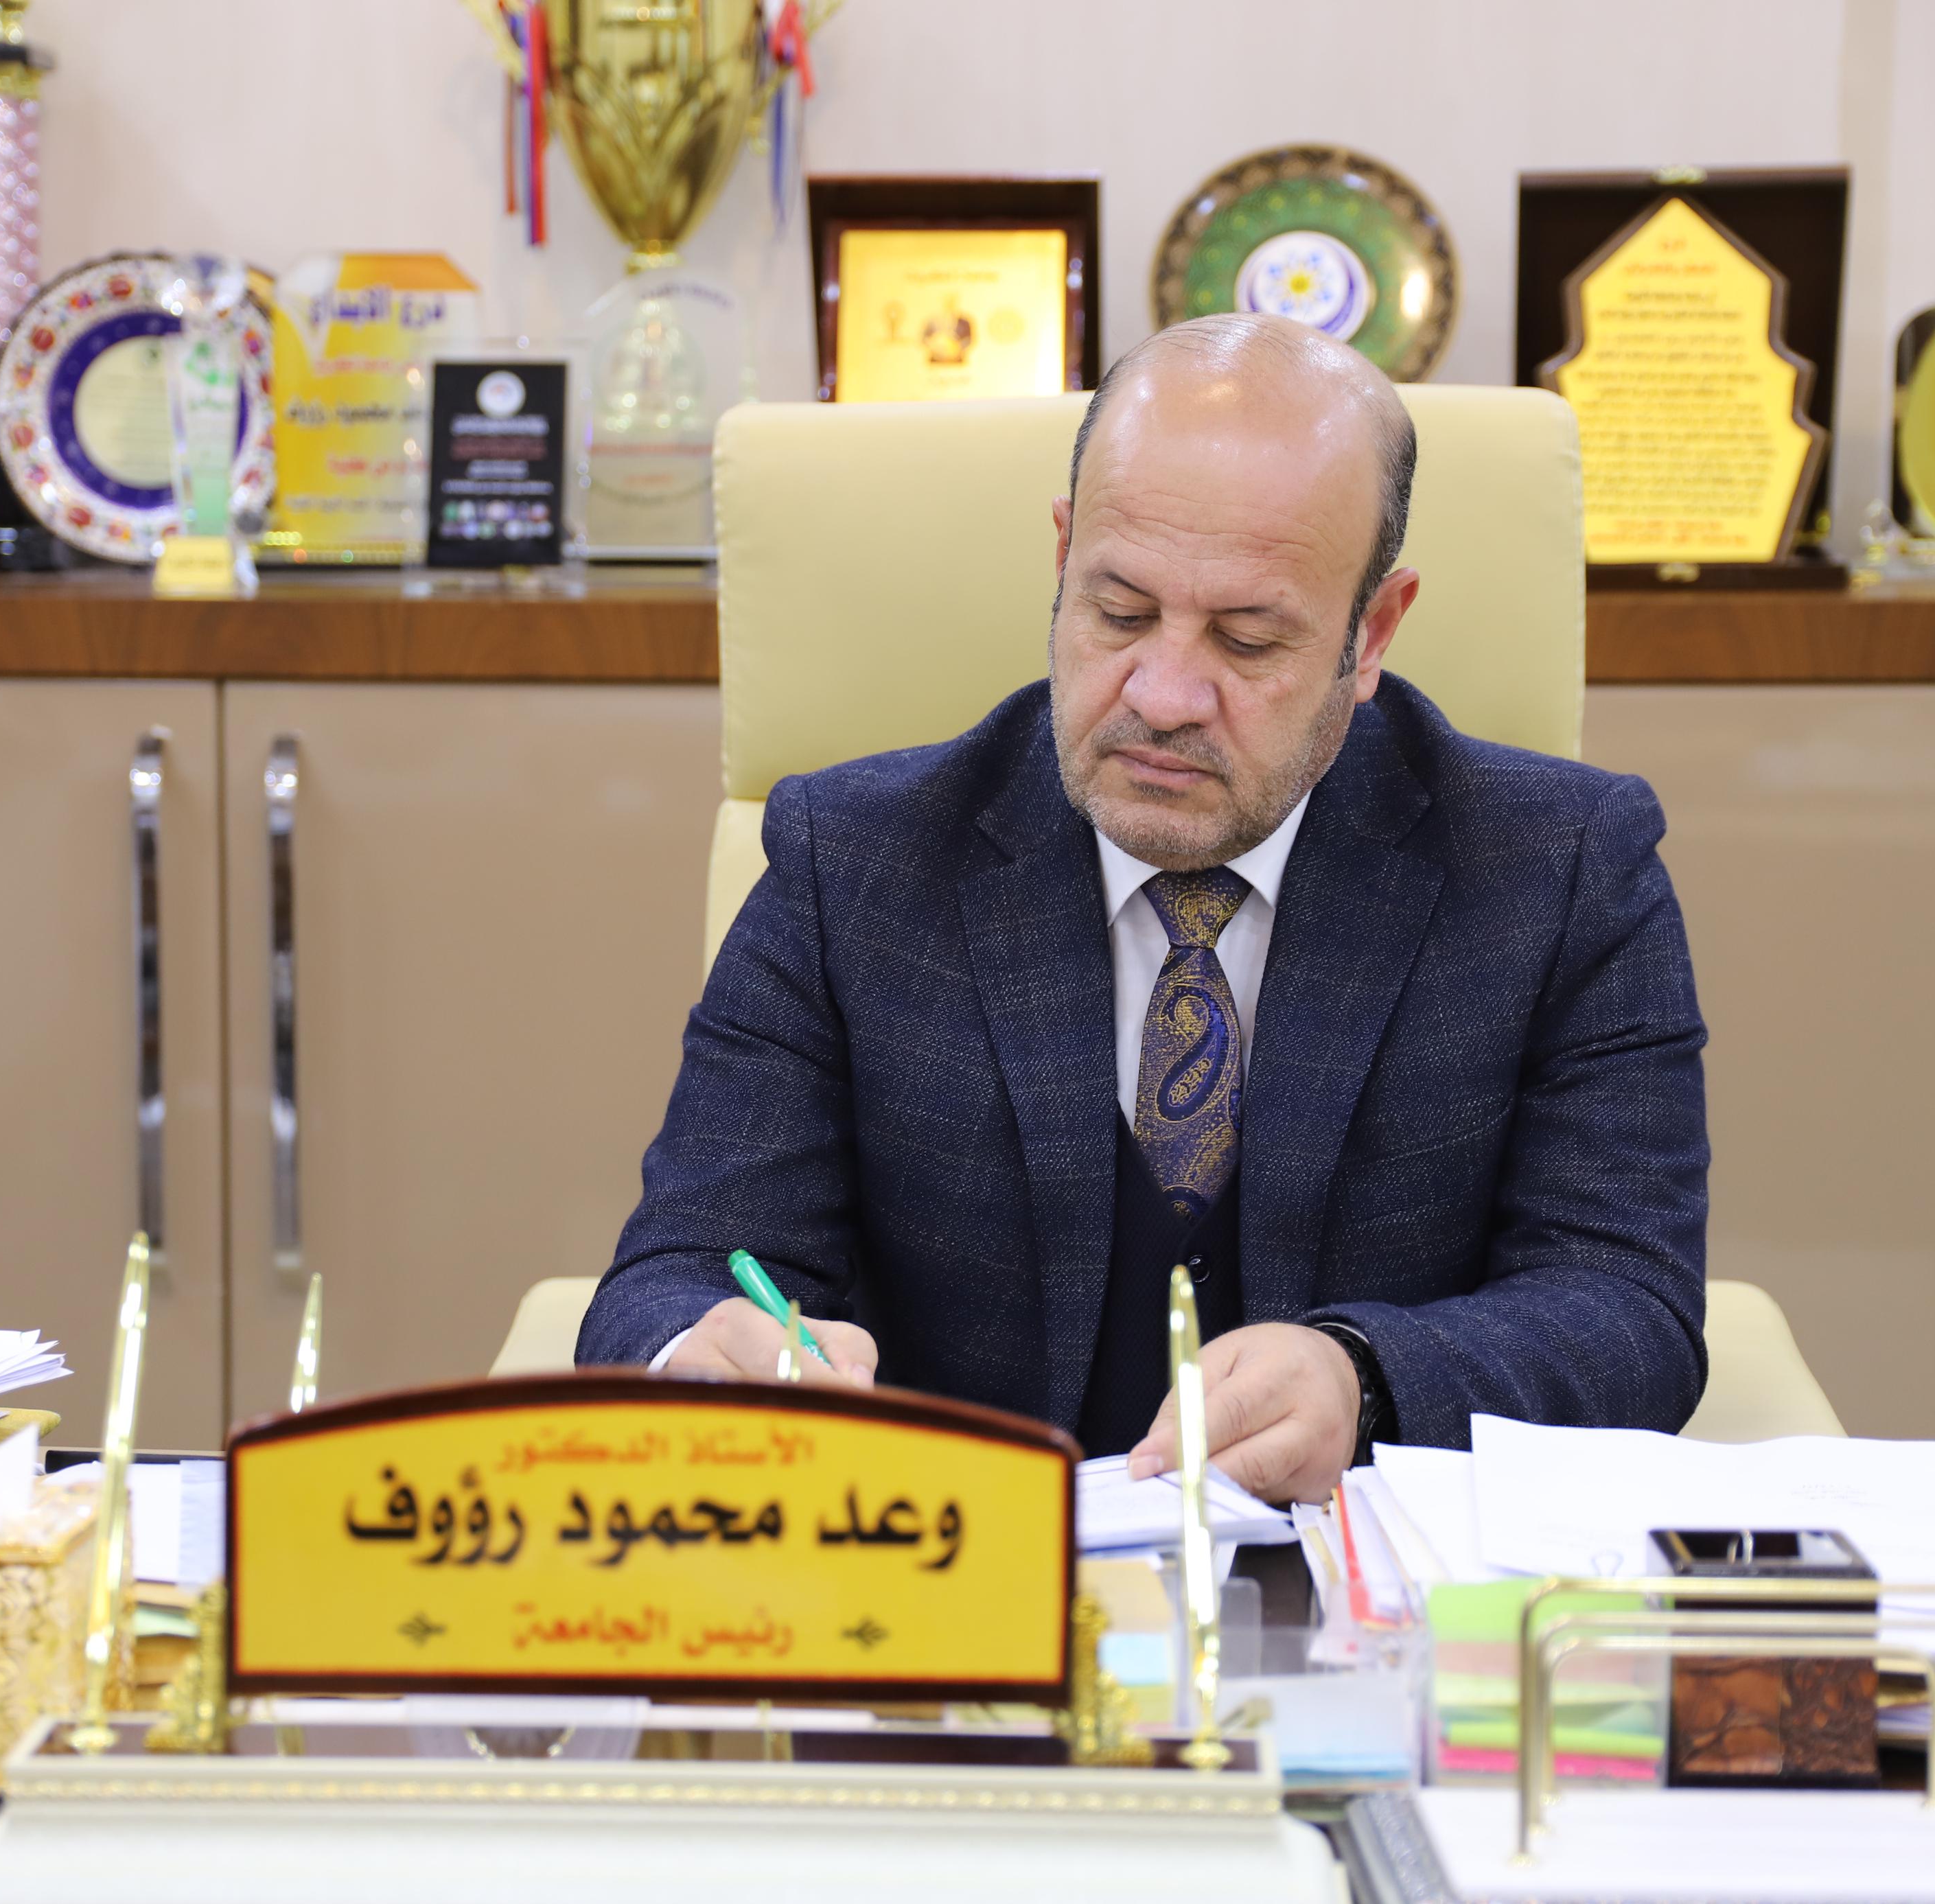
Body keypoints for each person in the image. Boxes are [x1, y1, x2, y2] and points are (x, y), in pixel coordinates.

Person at [578, 313, 1708, 1503]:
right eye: (1118, 613)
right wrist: (702, 1354)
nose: (1163, 696)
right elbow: (679, 1271)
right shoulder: (851, 861)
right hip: (959, 1562)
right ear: (1064, 556)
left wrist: (1366, 1378)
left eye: (1248, 639)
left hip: (1353, 1577)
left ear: (1371, 632)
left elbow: (1627, 1304)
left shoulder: (1562, 868)